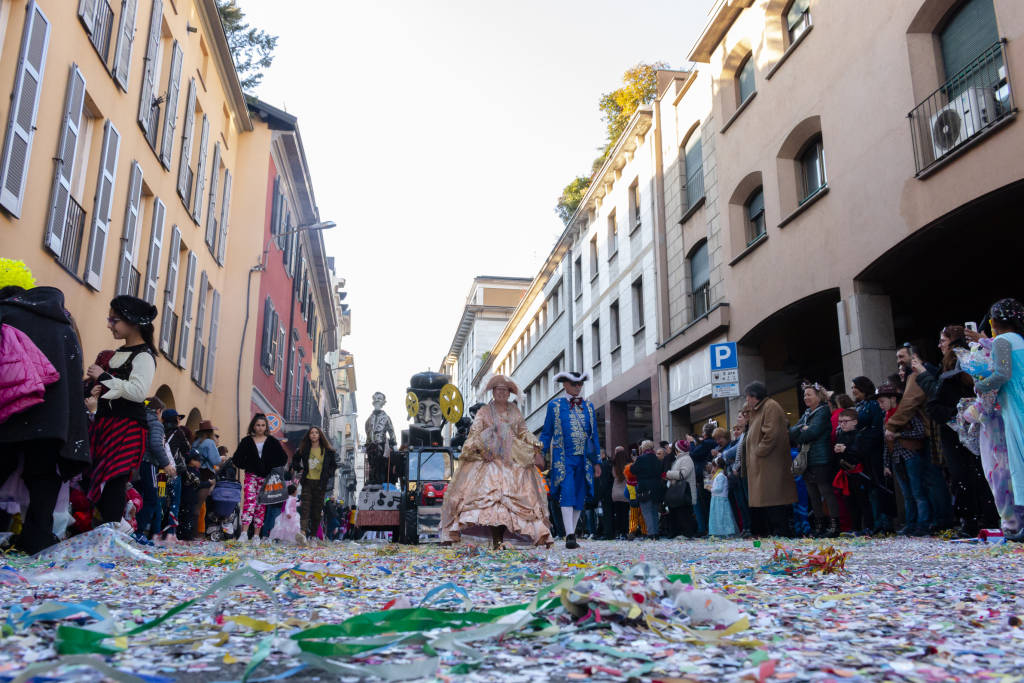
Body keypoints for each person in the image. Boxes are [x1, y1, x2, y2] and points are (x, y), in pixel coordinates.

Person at [0, 280, 90, 554]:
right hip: (53, 418)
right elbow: (73, 382)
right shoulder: (65, 328)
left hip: (10, 408)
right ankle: (36, 538)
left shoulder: (7, 314)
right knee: (43, 477)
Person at [441, 375, 551, 548]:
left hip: (513, 460)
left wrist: (534, 441)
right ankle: (496, 540)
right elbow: (475, 432)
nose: (501, 393)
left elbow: (523, 431)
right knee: (490, 502)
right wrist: (483, 448)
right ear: (493, 392)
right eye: (498, 390)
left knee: (514, 502)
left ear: (509, 393)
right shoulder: (484, 411)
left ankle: (505, 539)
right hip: (489, 460)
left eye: (505, 390)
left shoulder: (514, 410)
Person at [85, 296, 158, 527]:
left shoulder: (144, 355)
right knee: (99, 478)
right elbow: (114, 387)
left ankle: (110, 532)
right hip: (105, 423)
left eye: (114, 320)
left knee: (115, 479)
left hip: (127, 426)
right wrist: (97, 390)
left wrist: (104, 377)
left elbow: (137, 392)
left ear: (132, 322)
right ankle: (101, 529)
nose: (109, 325)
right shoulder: (118, 353)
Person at [920, 326, 997, 537]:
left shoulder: (982, 383)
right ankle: (969, 521)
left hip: (981, 433)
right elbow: (933, 407)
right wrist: (959, 415)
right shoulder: (948, 381)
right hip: (954, 436)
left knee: (983, 475)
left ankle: (990, 519)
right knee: (962, 477)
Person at [974, 298, 1024, 540]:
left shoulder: (1002, 341)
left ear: (994, 322)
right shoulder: (1020, 341)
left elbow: (1003, 372)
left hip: (1015, 404)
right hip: (1018, 399)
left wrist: (982, 385)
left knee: (1018, 460)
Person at [539, 370, 602, 550]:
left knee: (580, 496)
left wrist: (597, 461)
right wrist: (540, 452)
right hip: (563, 458)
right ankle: (570, 535)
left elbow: (594, 436)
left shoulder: (589, 406)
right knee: (567, 492)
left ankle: (571, 533)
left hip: (585, 459)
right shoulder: (555, 406)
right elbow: (547, 433)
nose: (578, 387)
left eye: (580, 384)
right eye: (575, 384)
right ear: (565, 384)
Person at [743, 381, 797, 536]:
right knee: (767, 500)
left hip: (769, 462)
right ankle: (774, 531)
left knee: (774, 499)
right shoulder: (759, 409)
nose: (747, 401)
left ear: (755, 396)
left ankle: (782, 531)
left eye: (748, 397)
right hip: (763, 463)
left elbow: (771, 434)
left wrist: (758, 452)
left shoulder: (770, 406)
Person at [790, 383, 838, 537]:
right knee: (812, 493)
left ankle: (834, 524)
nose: (806, 397)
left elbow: (812, 433)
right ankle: (819, 525)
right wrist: (802, 429)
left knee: (825, 491)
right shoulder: (806, 414)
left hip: (820, 457)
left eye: (809, 394)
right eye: (804, 395)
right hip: (807, 459)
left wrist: (803, 431)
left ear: (819, 396)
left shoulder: (823, 411)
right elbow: (791, 432)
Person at [232, 413, 288, 543]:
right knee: (249, 502)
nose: (260, 428)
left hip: (265, 478)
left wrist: (270, 468)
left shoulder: (272, 441)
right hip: (251, 475)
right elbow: (237, 459)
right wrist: (249, 465)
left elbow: (283, 458)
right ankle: (244, 533)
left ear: (266, 427)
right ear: (253, 426)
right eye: (258, 425)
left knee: (261, 505)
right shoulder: (247, 441)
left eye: (263, 425)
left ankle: (257, 535)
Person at [851, 376, 891, 533]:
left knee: (878, 487)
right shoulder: (860, 406)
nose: (853, 390)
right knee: (868, 490)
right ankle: (873, 523)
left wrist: (862, 439)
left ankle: (883, 523)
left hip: (874, 452)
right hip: (863, 453)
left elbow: (876, 430)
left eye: (855, 386)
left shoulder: (874, 405)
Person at [136, 397, 175, 543]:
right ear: (158, 411)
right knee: (153, 499)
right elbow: (156, 445)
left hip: (135, 463)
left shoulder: (140, 420)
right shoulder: (156, 425)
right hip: (149, 463)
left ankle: (135, 529)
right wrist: (166, 464)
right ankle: (139, 531)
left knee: (138, 497)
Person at [833, 407, 874, 534]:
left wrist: (846, 450)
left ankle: (868, 528)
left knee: (863, 501)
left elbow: (861, 453)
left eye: (845, 421)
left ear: (855, 422)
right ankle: (855, 528)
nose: (842, 424)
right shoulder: (840, 435)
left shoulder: (860, 435)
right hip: (846, 474)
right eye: (840, 422)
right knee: (850, 502)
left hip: (859, 473)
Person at [293, 426, 338, 540]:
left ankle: (313, 535)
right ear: (309, 435)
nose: (313, 434)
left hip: (320, 483)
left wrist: (328, 475)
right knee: (305, 508)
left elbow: (333, 466)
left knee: (317, 510)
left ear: (320, 435)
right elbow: (295, 459)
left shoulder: (327, 450)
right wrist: (299, 468)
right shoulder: (304, 449)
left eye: (316, 433)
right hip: (307, 481)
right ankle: (302, 532)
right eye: (311, 433)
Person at [161, 410, 191, 542]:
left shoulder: (159, 430)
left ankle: (155, 530)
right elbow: (186, 449)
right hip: (174, 472)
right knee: (174, 502)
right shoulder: (179, 433)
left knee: (160, 500)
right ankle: (171, 533)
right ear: (175, 419)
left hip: (160, 471)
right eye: (178, 418)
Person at [665, 439, 697, 538]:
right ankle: (679, 533)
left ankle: (687, 533)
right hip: (679, 492)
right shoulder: (680, 459)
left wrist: (668, 474)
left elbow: (682, 474)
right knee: (678, 513)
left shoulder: (686, 459)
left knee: (684, 515)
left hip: (685, 492)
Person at [631, 441, 662, 539]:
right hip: (656, 487)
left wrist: (635, 460)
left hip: (644, 488)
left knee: (647, 511)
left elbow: (633, 470)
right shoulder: (656, 459)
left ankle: (651, 533)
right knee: (654, 511)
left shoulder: (641, 458)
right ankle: (656, 533)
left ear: (643, 448)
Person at [707, 456, 737, 537]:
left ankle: (726, 532)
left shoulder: (721, 476)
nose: (713, 468)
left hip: (720, 500)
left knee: (722, 516)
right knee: (717, 516)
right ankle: (718, 532)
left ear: (717, 466)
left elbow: (719, 488)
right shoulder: (717, 475)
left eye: (714, 466)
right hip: (716, 499)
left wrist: (711, 489)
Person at [610, 446, 631, 539]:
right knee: (625, 514)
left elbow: (614, 476)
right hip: (626, 492)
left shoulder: (614, 466)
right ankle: (625, 532)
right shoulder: (629, 466)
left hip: (616, 493)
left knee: (618, 514)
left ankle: (618, 532)